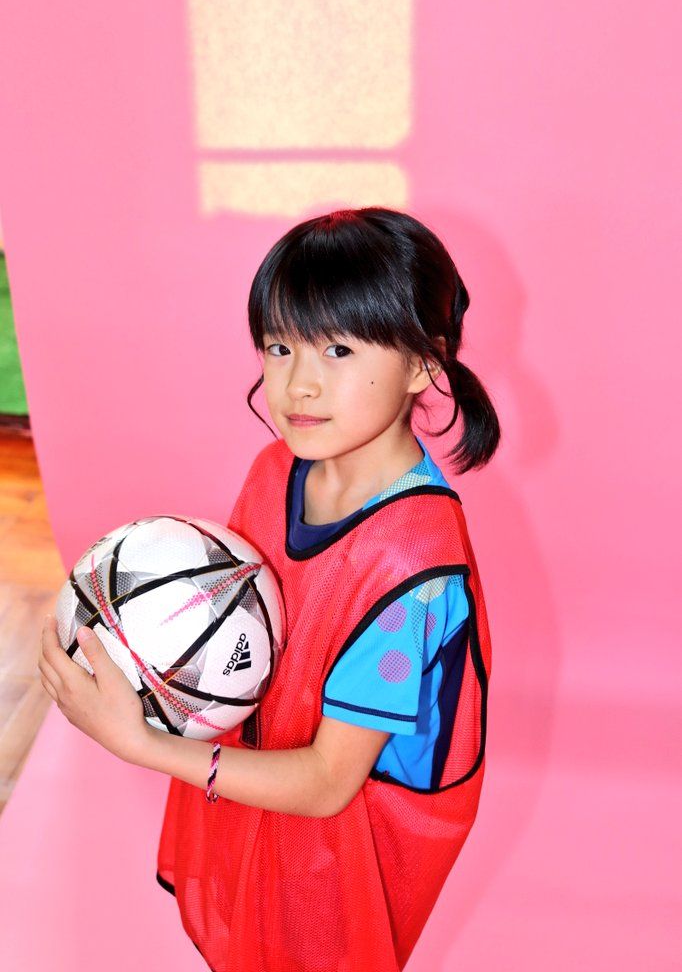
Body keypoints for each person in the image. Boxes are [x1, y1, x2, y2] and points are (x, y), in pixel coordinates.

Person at [41, 206, 500, 972]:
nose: (298, 384)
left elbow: (326, 785)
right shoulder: (276, 469)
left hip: (341, 848)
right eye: (280, 346)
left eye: (339, 348)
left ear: (425, 363)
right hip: (255, 786)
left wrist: (140, 741)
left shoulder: (413, 566)